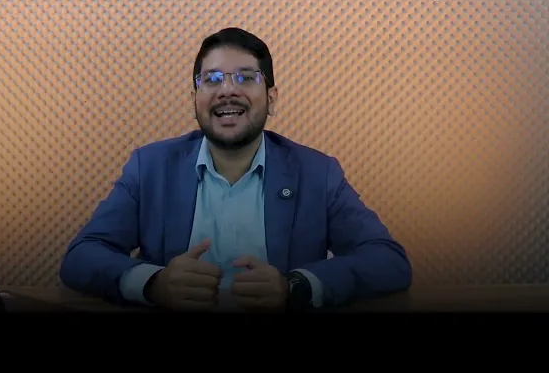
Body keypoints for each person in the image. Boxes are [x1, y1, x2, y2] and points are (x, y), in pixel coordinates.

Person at [59, 27, 412, 312]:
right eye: (211, 79)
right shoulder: (149, 167)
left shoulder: (318, 173)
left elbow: (388, 261)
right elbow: (82, 257)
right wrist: (153, 284)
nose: (227, 90)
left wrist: (296, 287)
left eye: (245, 78)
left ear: (271, 99)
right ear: (195, 99)